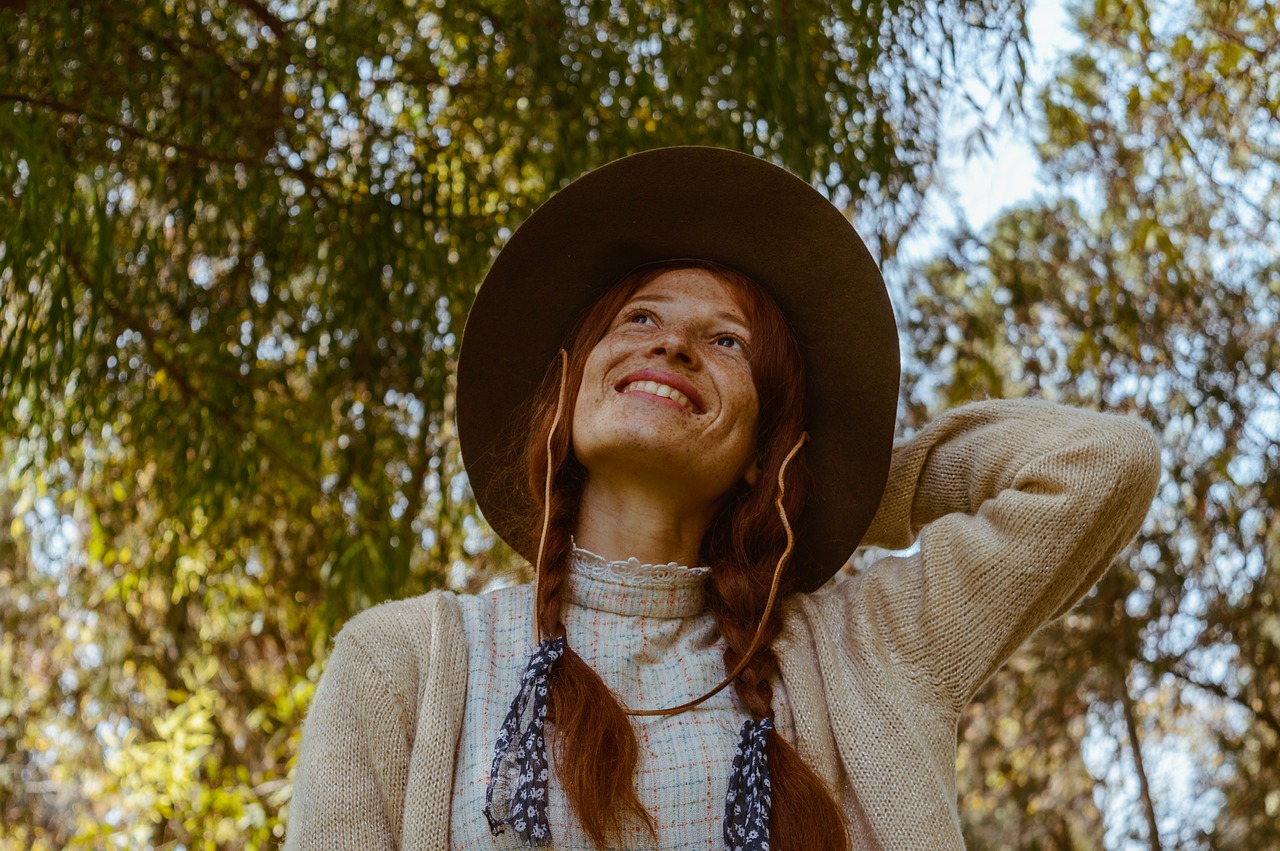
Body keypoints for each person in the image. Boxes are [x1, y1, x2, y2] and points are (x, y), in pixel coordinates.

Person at [284, 147, 1161, 850]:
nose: (672, 345)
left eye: (727, 340)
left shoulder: (862, 651)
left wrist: (829, 482)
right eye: (638, 319)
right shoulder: (404, 662)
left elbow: (1100, 464)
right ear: (570, 392)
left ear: (762, 445)